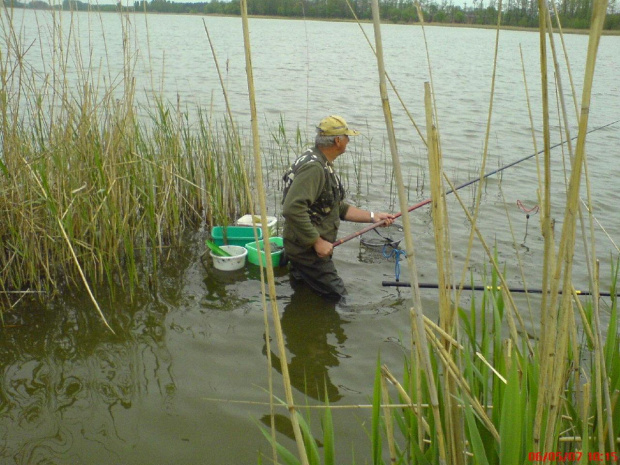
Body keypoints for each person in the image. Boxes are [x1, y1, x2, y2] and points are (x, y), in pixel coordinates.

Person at [281, 115, 395, 300]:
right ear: (338, 141)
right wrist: (317, 242)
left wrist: (373, 216)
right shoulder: (314, 169)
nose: (349, 141)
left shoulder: (319, 160)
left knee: (303, 290)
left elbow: (337, 207)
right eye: (347, 137)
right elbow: (292, 209)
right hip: (308, 252)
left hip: (301, 246)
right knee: (339, 298)